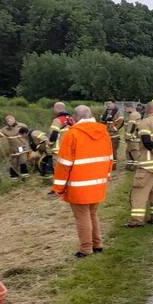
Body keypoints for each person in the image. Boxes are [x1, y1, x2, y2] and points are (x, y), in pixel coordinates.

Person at [52, 105, 114, 258]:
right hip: (98, 182)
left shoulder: (72, 134)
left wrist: (58, 187)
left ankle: (86, 248)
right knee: (92, 214)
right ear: (91, 115)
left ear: (75, 117)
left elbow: (64, 164)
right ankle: (97, 244)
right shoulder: (103, 132)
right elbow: (109, 158)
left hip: (79, 184)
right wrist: (106, 175)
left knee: (82, 217)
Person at [0, 115, 31, 180]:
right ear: (7, 122)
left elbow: (28, 134)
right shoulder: (5, 129)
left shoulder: (22, 125)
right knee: (13, 162)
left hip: (22, 146)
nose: (10, 122)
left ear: (14, 120)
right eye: (8, 121)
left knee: (23, 160)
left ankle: (25, 176)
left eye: (11, 120)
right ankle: (14, 177)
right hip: (12, 148)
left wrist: (29, 144)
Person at [100, 101, 124, 166]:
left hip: (114, 135)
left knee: (113, 151)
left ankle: (113, 165)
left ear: (113, 104)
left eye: (109, 103)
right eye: (107, 104)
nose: (108, 105)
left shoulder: (118, 112)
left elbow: (121, 122)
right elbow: (101, 121)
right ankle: (106, 164)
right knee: (105, 151)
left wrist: (114, 129)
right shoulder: (105, 112)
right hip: (105, 135)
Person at [124, 103, 143, 168]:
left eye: (125, 108)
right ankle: (130, 165)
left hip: (132, 137)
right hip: (135, 136)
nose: (125, 110)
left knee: (134, 151)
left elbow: (131, 126)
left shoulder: (132, 115)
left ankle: (139, 166)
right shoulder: (136, 114)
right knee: (128, 151)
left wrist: (127, 136)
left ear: (130, 107)